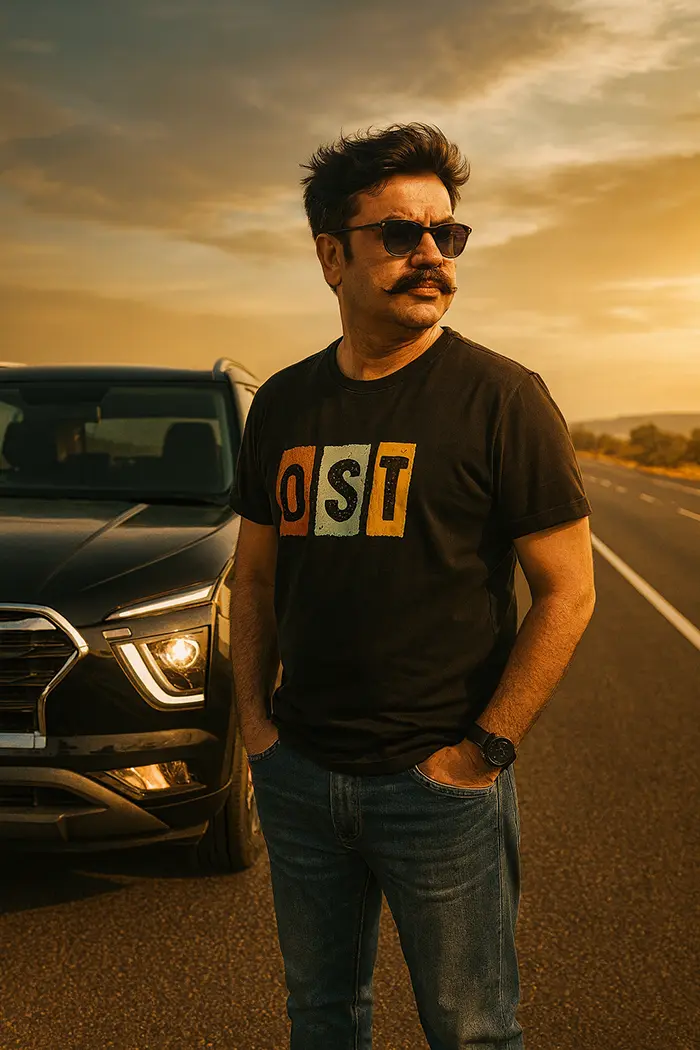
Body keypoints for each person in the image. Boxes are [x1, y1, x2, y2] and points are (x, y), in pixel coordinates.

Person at [228, 122, 596, 1050]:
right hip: (302, 776)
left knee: (471, 1031)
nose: (431, 255)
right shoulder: (283, 404)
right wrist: (259, 735)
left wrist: (481, 755)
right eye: (400, 235)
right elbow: (258, 581)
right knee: (322, 1017)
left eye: (447, 234)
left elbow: (568, 592)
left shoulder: (504, 398)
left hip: (438, 787)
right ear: (330, 255)